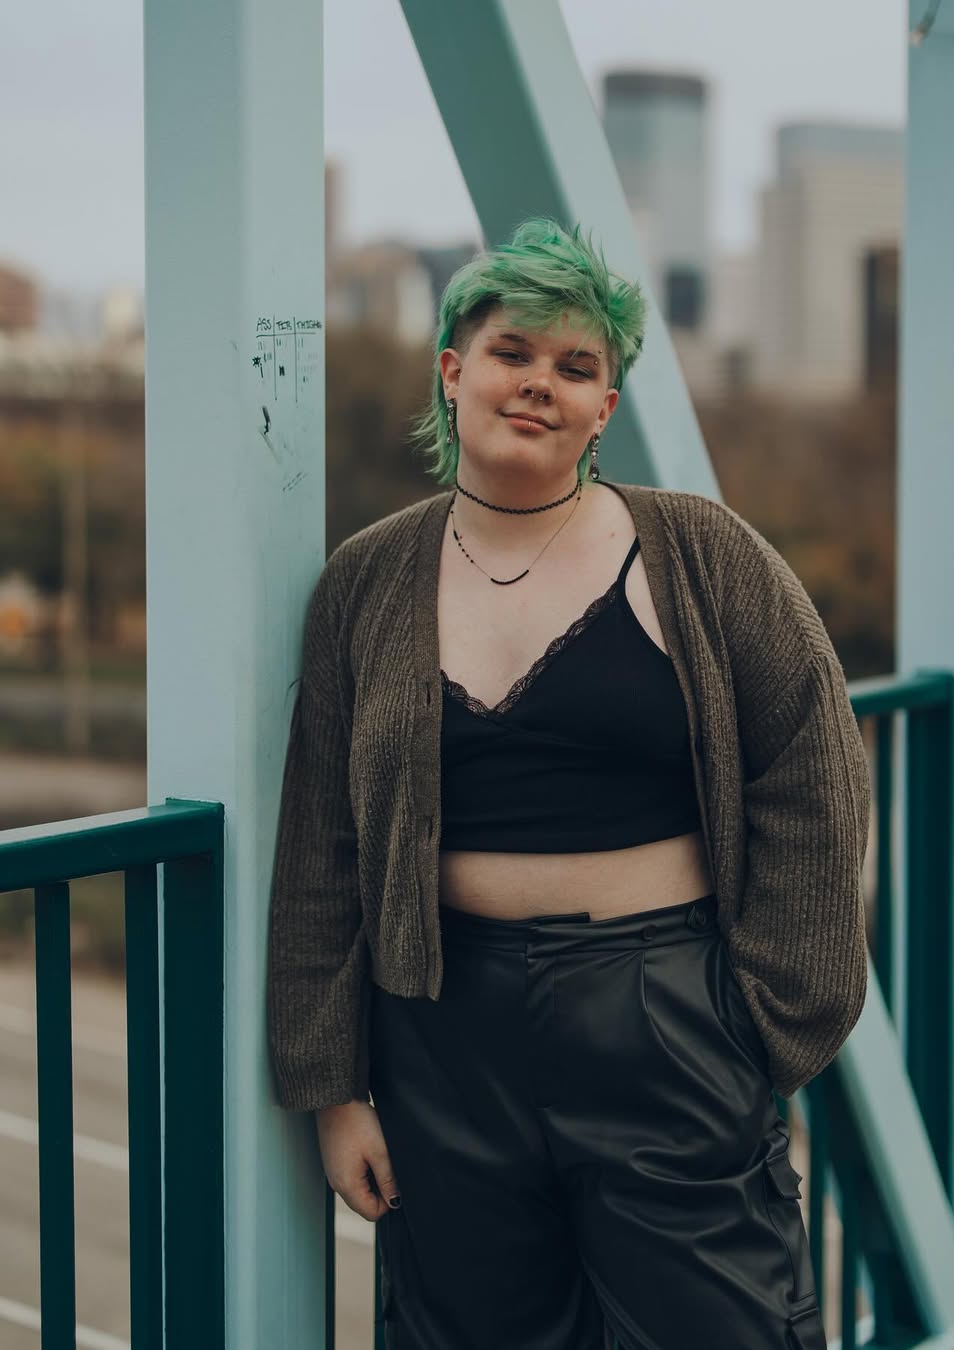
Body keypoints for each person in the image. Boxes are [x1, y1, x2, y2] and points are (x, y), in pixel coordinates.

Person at [266, 217, 871, 1350]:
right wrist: (334, 1088)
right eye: (513, 353)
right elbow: (321, 851)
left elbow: (815, 771)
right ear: (454, 372)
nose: (539, 383)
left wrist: (769, 1023)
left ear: (605, 406)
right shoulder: (365, 582)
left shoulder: (705, 555)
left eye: (576, 366)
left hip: (663, 1009)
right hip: (441, 1033)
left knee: (719, 1327)